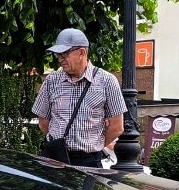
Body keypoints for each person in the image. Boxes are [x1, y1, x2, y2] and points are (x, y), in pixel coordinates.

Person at [32, 28, 125, 168]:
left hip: (89, 162)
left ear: (82, 52)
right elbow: (43, 122)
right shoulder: (51, 81)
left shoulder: (107, 81)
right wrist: (58, 145)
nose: (60, 59)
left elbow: (117, 127)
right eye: (58, 54)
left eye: (65, 53)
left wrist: (94, 146)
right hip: (55, 159)